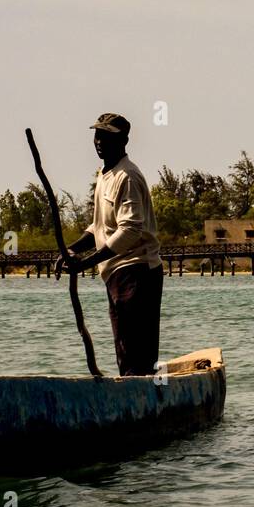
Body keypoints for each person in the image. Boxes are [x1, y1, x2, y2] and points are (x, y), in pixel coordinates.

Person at [55, 112, 163, 376]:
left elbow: (129, 231)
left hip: (137, 270)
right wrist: (72, 250)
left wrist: (88, 262)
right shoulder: (105, 175)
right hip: (116, 272)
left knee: (138, 351)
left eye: (107, 137)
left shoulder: (127, 176)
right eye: (97, 135)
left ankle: (143, 404)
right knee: (124, 349)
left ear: (124, 140)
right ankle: (132, 398)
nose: (99, 142)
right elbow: (100, 228)